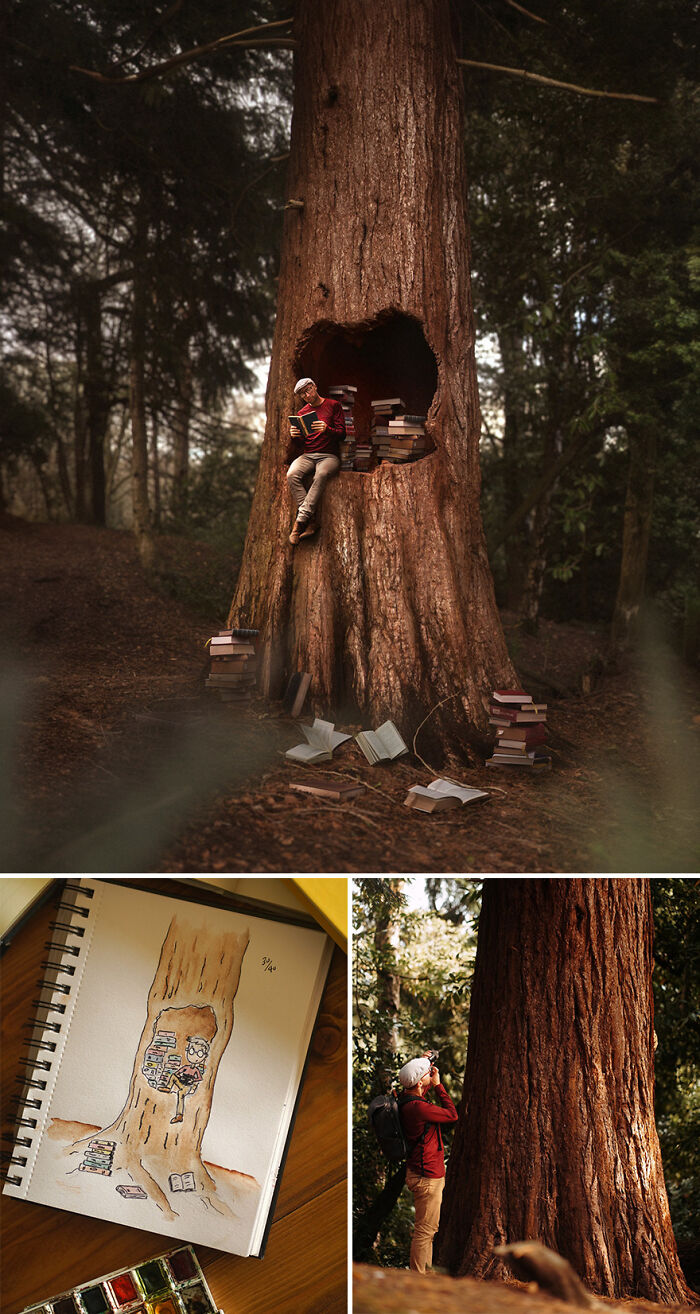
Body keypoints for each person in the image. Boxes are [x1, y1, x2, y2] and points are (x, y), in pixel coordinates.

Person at [398, 1053, 458, 1275]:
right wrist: (439, 1085)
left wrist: (424, 1062)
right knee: (425, 1231)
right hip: (428, 1177)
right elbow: (452, 1115)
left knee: (428, 1230)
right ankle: (418, 1279)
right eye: (426, 1075)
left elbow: (419, 1094)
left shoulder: (405, 1099)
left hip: (418, 1172)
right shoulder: (419, 1108)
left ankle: (425, 1274)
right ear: (421, 1081)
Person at [287, 377, 345, 545]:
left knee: (321, 474)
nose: (307, 395)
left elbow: (342, 434)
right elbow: (301, 443)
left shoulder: (333, 405)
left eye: (308, 390)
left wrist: (328, 430)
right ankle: (311, 520)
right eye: (302, 395)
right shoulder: (302, 413)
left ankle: (299, 524)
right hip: (308, 454)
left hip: (329, 456)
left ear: (314, 386)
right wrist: (295, 437)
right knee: (292, 474)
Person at [157, 1035, 210, 1124]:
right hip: (181, 1083)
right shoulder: (185, 1067)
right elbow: (176, 1074)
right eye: (192, 1051)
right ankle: (168, 1088)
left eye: (200, 1053)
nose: (194, 1056)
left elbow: (197, 1080)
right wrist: (178, 1078)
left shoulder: (196, 1071)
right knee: (173, 1076)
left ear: (204, 1056)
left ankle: (179, 1115)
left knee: (180, 1094)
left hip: (187, 1087)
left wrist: (193, 1087)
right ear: (187, 1051)